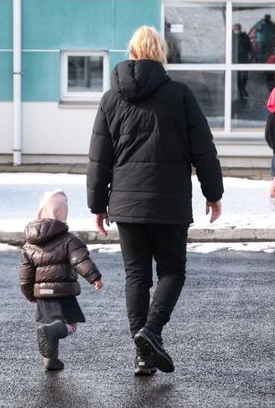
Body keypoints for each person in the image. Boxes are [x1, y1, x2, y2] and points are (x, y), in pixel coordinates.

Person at [87, 26, 224, 375]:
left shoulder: (110, 98)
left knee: (137, 277)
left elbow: (99, 157)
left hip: (127, 204)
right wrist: (213, 193)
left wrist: (97, 205)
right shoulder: (180, 95)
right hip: (170, 202)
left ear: (131, 52)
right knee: (173, 271)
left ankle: (143, 355)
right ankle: (152, 332)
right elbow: (203, 149)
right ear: (161, 53)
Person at [19, 189, 103, 371]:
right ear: (62, 213)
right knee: (67, 325)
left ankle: (50, 361)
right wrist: (94, 277)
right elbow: (80, 261)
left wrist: (30, 295)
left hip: (42, 294)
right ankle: (52, 334)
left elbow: (25, 274)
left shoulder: (29, 244)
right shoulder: (70, 240)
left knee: (48, 322)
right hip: (62, 292)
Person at [232, 23, 253, 114]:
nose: (236, 30)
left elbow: (250, 47)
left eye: (237, 29)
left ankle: (243, 88)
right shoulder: (231, 37)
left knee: (244, 75)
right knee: (237, 77)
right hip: (235, 60)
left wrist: (251, 56)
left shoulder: (244, 36)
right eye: (235, 29)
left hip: (244, 59)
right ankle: (241, 91)